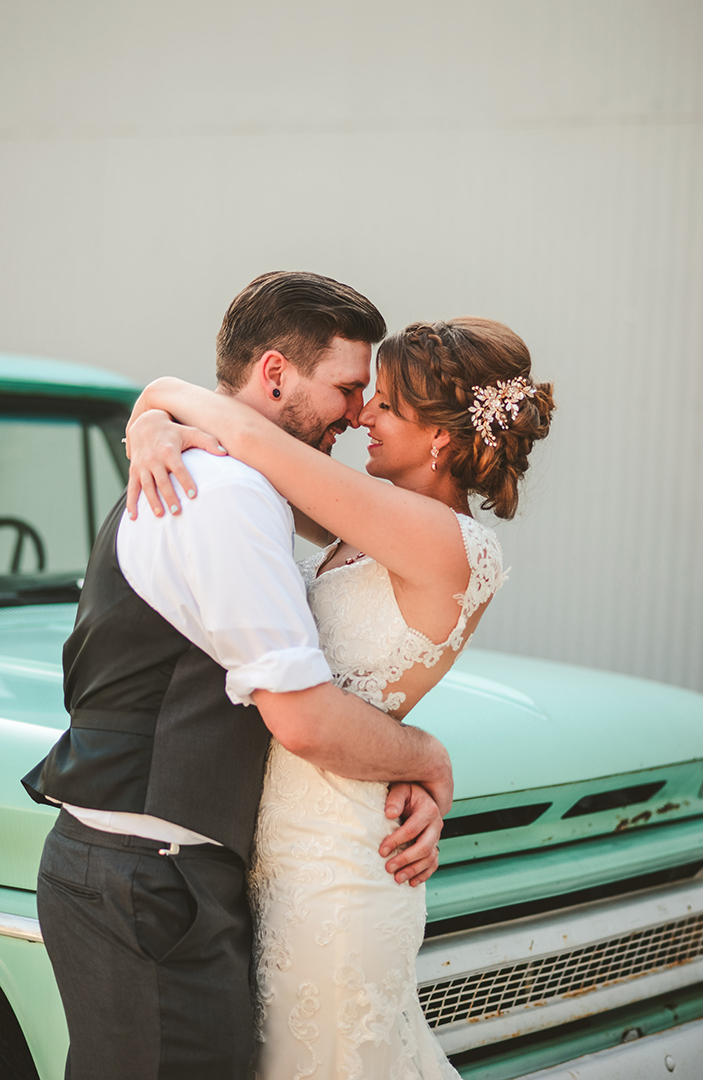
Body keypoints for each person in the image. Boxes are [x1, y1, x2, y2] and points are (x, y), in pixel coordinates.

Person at [21, 271, 456, 1080]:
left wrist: (153, 412)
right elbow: (300, 717)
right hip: (147, 883)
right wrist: (426, 759)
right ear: (275, 373)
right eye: (348, 388)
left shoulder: (241, 478)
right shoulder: (223, 492)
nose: (358, 414)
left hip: (162, 877)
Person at [124, 316, 555, 1078]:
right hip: (279, 850)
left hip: (339, 867)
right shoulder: (362, 530)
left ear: (440, 440)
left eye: (383, 404)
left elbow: (254, 441)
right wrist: (153, 425)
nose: (360, 417)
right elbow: (220, 429)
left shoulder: (447, 541)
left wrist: (157, 407)